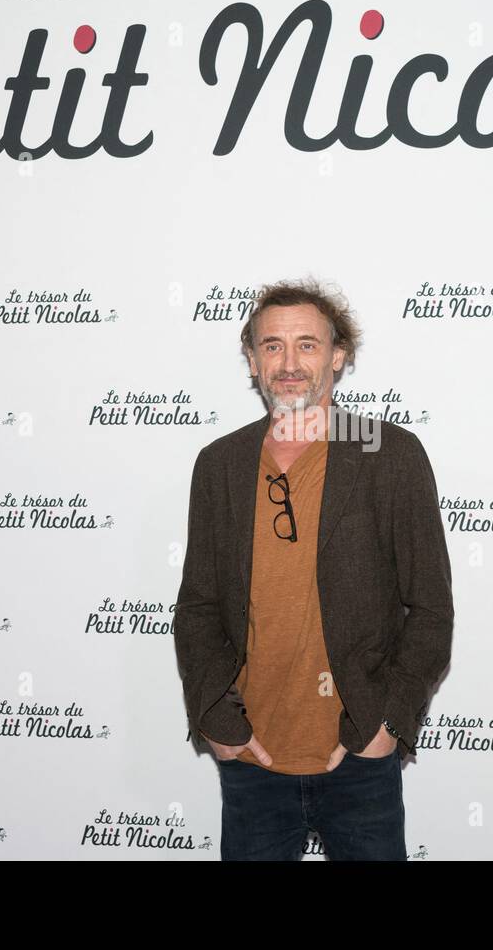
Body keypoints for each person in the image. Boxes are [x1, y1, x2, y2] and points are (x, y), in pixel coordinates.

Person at [173, 277, 454, 860]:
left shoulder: (389, 453)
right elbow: (198, 605)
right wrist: (218, 722)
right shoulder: (220, 463)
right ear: (252, 361)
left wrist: (387, 725)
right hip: (252, 761)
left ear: (338, 356)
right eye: (272, 345)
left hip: (360, 756)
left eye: (308, 344)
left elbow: (430, 609)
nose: (290, 362)